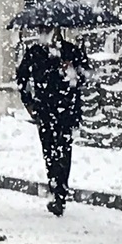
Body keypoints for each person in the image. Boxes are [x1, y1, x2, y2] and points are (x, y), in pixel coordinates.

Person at [15, 27, 92, 217]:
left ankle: (60, 195)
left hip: (67, 111)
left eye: (51, 30)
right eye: (44, 30)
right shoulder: (35, 53)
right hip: (45, 111)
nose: (48, 34)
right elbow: (21, 78)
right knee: (49, 152)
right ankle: (55, 188)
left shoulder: (70, 51)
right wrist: (29, 103)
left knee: (63, 151)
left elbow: (86, 75)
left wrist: (72, 71)